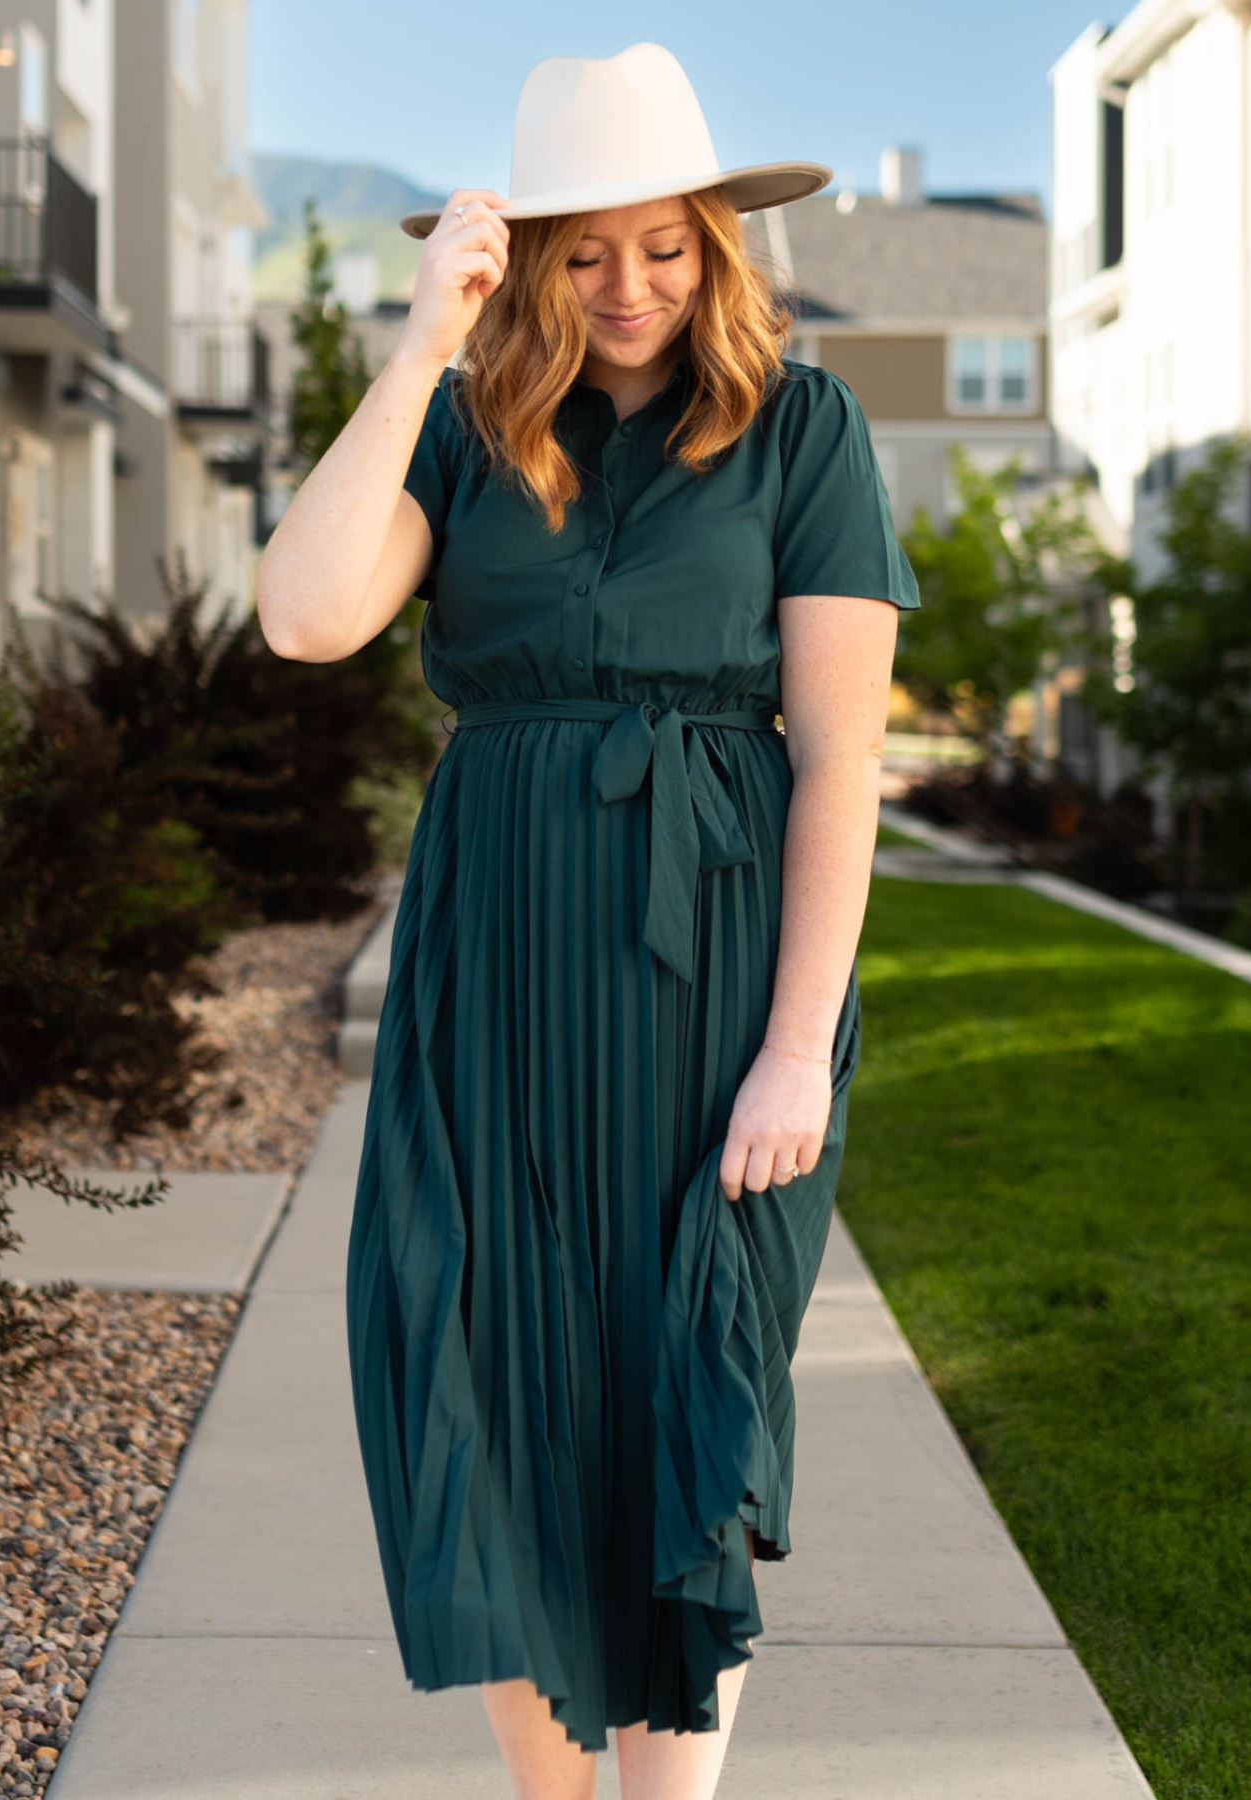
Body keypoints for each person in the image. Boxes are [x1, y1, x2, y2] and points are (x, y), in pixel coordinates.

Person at [257, 40, 920, 1800]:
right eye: (582, 250)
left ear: (716, 245)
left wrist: (795, 1048)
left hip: (717, 980)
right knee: (492, 1377)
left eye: (667, 246)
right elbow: (307, 616)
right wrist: (413, 351)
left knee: (680, 1395)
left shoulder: (804, 425)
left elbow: (842, 761)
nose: (628, 287)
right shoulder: (469, 430)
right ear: (525, 260)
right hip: (497, 962)